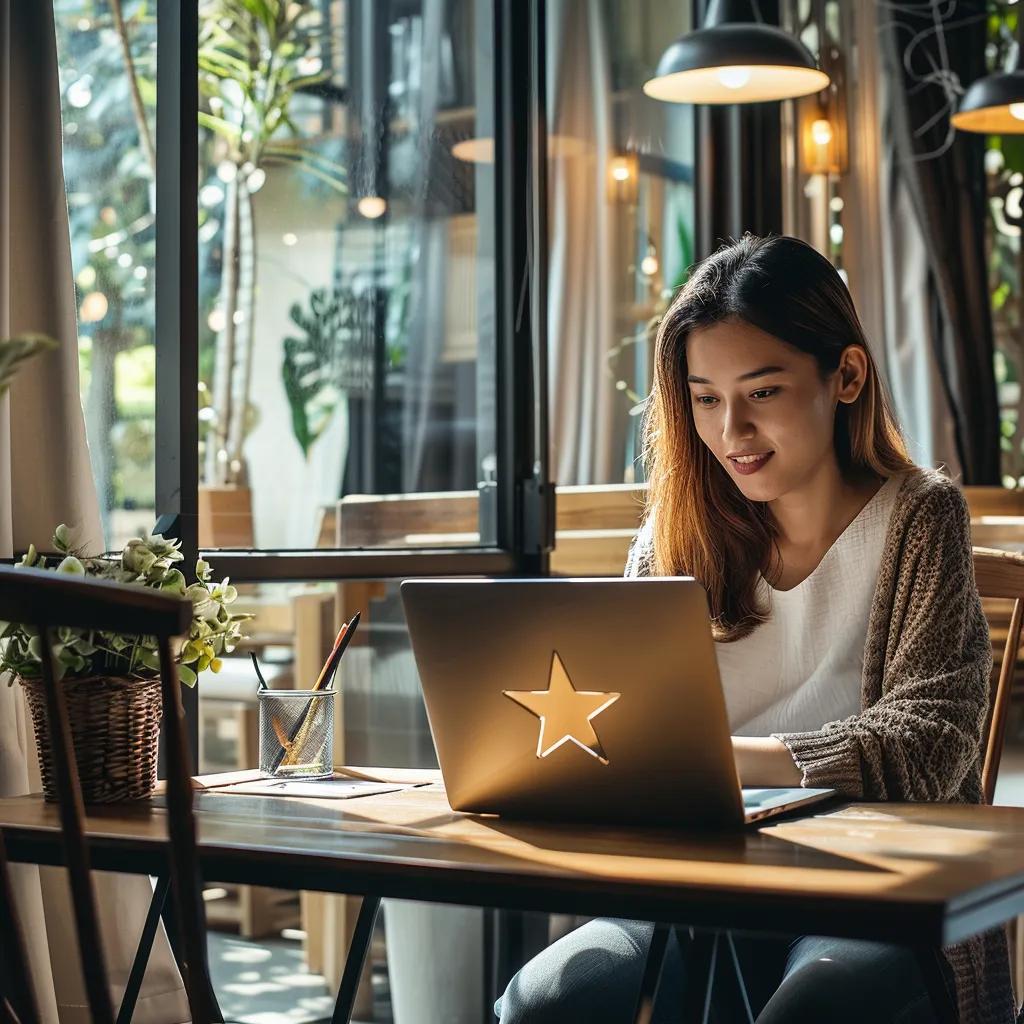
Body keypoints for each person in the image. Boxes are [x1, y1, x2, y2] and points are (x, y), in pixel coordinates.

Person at [494, 234, 1016, 1023]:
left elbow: (935, 737)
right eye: (705, 398)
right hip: (700, 884)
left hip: (872, 889)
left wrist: (726, 761)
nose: (731, 430)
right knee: (542, 1004)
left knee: (814, 1009)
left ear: (845, 375)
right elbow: (626, 726)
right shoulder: (673, 536)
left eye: (762, 393)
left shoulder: (917, 515)